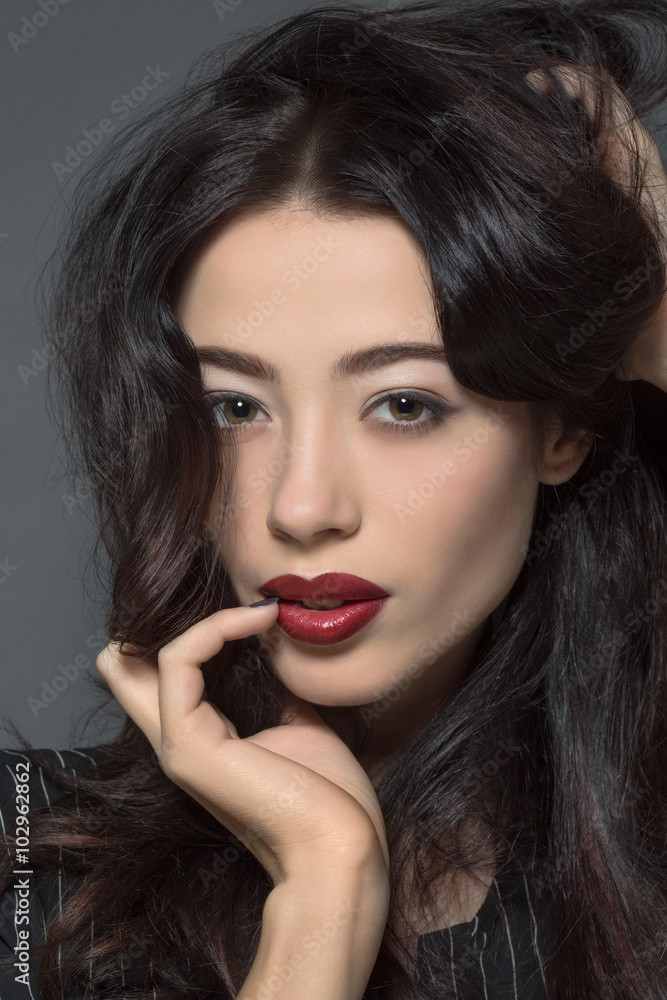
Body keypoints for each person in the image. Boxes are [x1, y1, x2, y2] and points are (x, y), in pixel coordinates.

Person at [1, 0, 667, 997]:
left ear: (562, 432)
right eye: (235, 407)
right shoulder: (23, 854)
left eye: (402, 404)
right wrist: (326, 889)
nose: (301, 508)